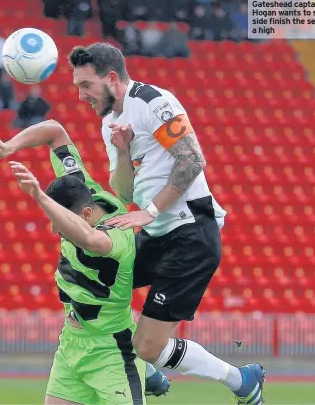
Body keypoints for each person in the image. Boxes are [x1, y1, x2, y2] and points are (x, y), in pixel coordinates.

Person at [68, 42, 266, 404]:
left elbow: (192, 161)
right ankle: (147, 368)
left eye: (85, 85)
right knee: (92, 277)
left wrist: (152, 211)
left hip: (189, 235)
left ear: (111, 78)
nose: (81, 95)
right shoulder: (110, 122)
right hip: (157, 234)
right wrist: (125, 150)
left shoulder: (154, 102)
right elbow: (123, 188)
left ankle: (242, 380)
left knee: (147, 345)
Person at [0, 121, 170, 404]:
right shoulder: (80, 186)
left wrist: (41, 198)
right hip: (72, 344)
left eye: (60, 224)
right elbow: (55, 131)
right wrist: (9, 146)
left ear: (86, 214)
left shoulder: (118, 232)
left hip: (111, 350)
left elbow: (92, 241)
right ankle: (147, 373)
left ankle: (141, 370)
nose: (55, 232)